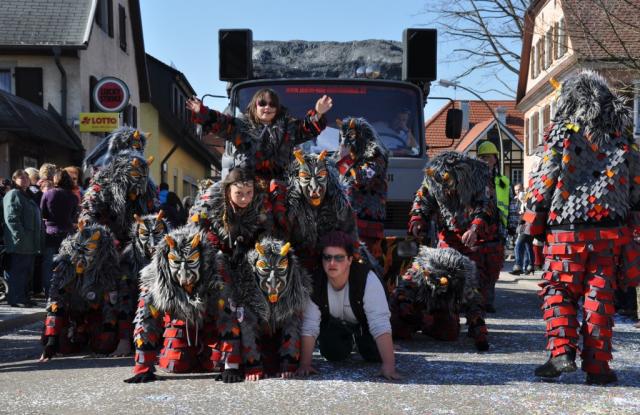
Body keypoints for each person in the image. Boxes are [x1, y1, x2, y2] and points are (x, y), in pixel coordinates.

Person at [523, 71, 640, 385]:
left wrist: (533, 221)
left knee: (559, 289)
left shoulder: (563, 132)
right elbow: (636, 182)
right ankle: (598, 367)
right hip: (609, 230)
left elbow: (545, 178)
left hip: (567, 230)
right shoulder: (621, 136)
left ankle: (561, 353)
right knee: (599, 294)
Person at [297, 231, 401, 380]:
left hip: (365, 325)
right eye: (327, 257)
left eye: (339, 258)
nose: (332, 263)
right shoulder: (315, 283)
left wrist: (389, 366)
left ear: (350, 260)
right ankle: (347, 343)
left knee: (374, 354)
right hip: (334, 325)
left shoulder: (367, 279)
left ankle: (364, 343)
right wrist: (305, 364)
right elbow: (309, 325)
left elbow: (380, 323)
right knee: (332, 354)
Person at [409, 151, 503, 315]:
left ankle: (477, 314)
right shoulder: (433, 177)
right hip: (450, 234)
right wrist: (417, 219)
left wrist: (474, 229)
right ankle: (449, 312)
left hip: (480, 237)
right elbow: (422, 199)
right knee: (445, 274)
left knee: (478, 282)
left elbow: (485, 206)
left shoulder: (479, 177)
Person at [186, 89, 333, 185]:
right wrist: (202, 112)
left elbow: (307, 128)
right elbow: (221, 122)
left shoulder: (289, 127)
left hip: (281, 185)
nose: (267, 107)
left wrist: (318, 113)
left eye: (272, 104)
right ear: (255, 106)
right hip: (247, 186)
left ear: (277, 108)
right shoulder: (240, 126)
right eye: (262, 103)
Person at [475, 141, 509, 312]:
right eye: (482, 157)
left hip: (496, 230)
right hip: (477, 231)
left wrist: (510, 227)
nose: (485, 161)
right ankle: (476, 302)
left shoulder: (502, 181)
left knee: (493, 268)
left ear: (495, 159)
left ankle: (488, 300)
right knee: (476, 268)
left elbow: (509, 205)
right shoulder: (473, 181)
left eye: (488, 157)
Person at [3, 169, 41, 307]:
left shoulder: (27, 195)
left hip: (29, 242)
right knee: (17, 271)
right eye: (21, 177)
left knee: (26, 272)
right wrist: (19, 236)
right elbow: (11, 218)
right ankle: (16, 299)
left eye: (26, 177)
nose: (25, 179)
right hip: (19, 241)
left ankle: (24, 297)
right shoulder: (13, 194)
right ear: (14, 180)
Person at [40, 169, 79, 296]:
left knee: (49, 264)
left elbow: (43, 213)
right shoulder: (73, 197)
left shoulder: (48, 194)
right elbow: (73, 216)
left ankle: (49, 292)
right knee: (65, 263)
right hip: (67, 233)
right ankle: (63, 291)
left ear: (55, 179)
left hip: (50, 232)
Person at [510, 183, 533, 275]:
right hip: (520, 226)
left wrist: (522, 214)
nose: (517, 192)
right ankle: (529, 266)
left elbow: (528, 211)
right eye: (516, 190)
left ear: (523, 189)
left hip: (526, 225)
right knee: (528, 246)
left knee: (519, 245)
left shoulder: (527, 197)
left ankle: (519, 266)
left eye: (519, 189)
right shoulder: (515, 200)